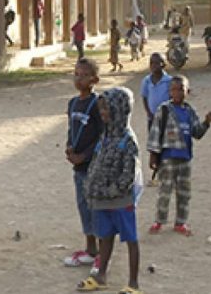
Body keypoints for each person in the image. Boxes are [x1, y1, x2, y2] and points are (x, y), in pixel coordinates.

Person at [77, 87, 143, 294]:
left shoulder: (127, 140)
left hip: (121, 202)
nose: (103, 113)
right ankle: (101, 276)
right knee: (104, 237)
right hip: (100, 200)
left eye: (107, 108)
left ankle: (133, 284)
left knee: (130, 240)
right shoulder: (104, 137)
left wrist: (111, 191)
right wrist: (90, 188)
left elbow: (128, 175)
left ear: (120, 109)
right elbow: (96, 164)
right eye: (102, 108)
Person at [148, 76, 211, 237]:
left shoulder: (190, 111)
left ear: (187, 91)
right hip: (168, 157)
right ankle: (159, 220)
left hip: (185, 158)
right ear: (169, 92)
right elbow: (155, 133)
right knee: (165, 191)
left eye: (181, 89)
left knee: (184, 192)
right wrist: (153, 156)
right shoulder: (163, 110)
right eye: (174, 89)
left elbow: (196, 133)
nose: (177, 92)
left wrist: (206, 123)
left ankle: (180, 222)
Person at [63, 58, 103, 274]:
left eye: (83, 75)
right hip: (77, 166)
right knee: (83, 206)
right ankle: (90, 249)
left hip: (93, 166)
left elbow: (102, 136)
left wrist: (85, 155)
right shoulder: (72, 103)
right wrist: (70, 148)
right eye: (76, 73)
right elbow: (72, 129)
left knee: (96, 208)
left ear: (94, 79)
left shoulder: (97, 104)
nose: (78, 78)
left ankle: (101, 256)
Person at [141, 53, 172, 132]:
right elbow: (144, 97)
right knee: (153, 140)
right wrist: (148, 112)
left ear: (163, 64)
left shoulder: (169, 80)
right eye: (151, 63)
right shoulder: (147, 81)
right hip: (152, 116)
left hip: (166, 117)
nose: (153, 65)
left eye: (156, 63)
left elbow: (172, 98)